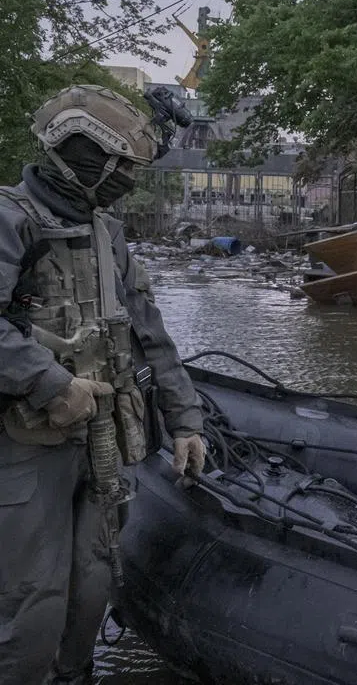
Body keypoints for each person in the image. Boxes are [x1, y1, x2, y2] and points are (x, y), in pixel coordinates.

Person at [0, 85, 207, 685]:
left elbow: (150, 335)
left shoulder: (107, 233)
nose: (125, 181)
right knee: (28, 602)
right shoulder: (10, 221)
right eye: (117, 168)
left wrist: (186, 420)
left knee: (93, 582)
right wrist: (50, 382)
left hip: (102, 442)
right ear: (80, 159)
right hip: (24, 447)